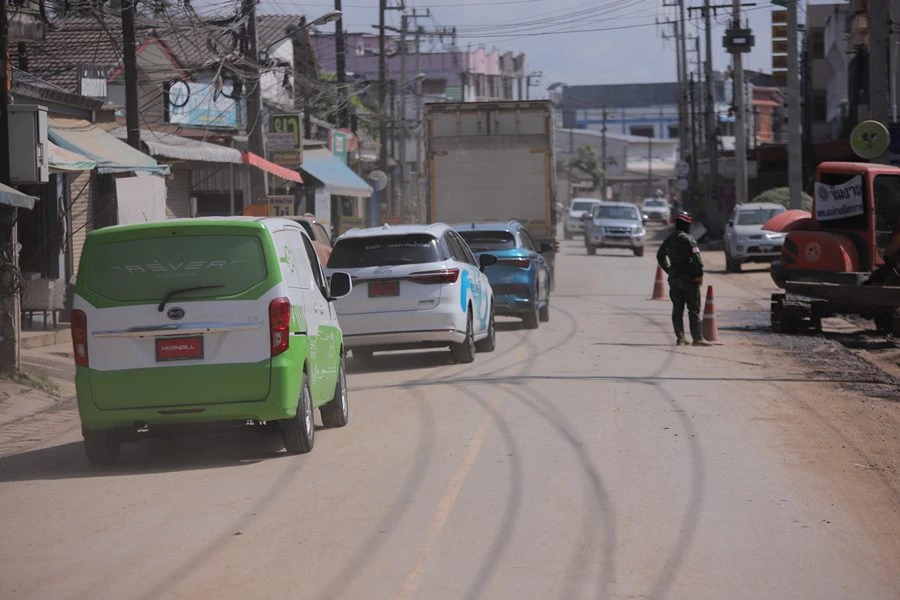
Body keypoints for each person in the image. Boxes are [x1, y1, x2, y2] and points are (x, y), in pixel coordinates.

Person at [657, 211, 711, 346]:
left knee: (677, 309)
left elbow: (660, 255)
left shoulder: (669, 239)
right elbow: (697, 259)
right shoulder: (689, 239)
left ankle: (680, 338)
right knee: (694, 309)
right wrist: (699, 275)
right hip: (689, 280)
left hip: (674, 279)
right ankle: (697, 339)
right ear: (687, 225)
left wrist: (669, 270)